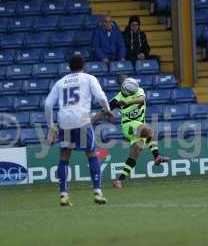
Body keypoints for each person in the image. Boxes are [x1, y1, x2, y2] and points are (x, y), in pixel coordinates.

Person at [45, 55, 114, 207]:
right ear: (84, 65)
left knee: (64, 156)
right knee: (91, 153)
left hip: (64, 121)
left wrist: (51, 125)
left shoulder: (60, 82)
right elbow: (101, 96)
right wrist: (107, 110)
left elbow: (48, 104)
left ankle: (63, 195)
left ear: (69, 67)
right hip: (82, 120)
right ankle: (97, 192)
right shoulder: (89, 78)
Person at [94, 77, 169, 189]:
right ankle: (157, 156)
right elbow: (104, 111)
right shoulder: (117, 99)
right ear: (126, 91)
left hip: (139, 125)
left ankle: (119, 180)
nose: (136, 92)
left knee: (135, 152)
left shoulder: (139, 90)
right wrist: (91, 121)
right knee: (150, 130)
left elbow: (141, 100)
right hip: (128, 125)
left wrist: (127, 102)